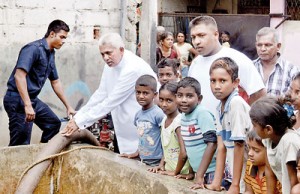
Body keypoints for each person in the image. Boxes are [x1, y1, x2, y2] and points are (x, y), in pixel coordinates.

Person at [60, 33, 157, 154]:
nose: (106, 58)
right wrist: (78, 117)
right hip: (122, 128)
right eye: (102, 54)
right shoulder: (110, 66)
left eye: (109, 53)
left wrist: (80, 122)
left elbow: (111, 101)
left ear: (121, 50)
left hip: (140, 127)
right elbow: (101, 94)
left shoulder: (132, 68)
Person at [3, 19, 75, 146]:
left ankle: (41, 156)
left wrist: (68, 106)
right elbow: (19, 76)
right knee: (20, 145)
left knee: (53, 124)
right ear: (52, 34)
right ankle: (17, 165)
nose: (64, 41)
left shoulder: (51, 53)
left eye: (65, 38)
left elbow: (55, 82)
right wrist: (27, 105)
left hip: (31, 99)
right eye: (62, 37)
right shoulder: (33, 49)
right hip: (17, 100)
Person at [188, 15, 266, 116]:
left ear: (216, 35)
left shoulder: (238, 59)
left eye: (201, 35)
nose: (196, 41)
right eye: (193, 37)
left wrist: (245, 120)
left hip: (230, 130)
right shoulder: (195, 63)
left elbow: (259, 94)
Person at [206, 57, 252, 193]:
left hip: (249, 175)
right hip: (238, 174)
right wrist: (216, 182)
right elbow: (221, 147)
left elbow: (239, 144)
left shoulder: (236, 103)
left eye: (223, 81)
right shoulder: (220, 106)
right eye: (213, 81)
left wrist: (235, 185)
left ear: (235, 82)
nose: (217, 86)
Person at [250, 96, 300, 194]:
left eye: (255, 125)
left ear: (268, 129)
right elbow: (269, 170)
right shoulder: (268, 139)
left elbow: (294, 180)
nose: (253, 129)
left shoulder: (289, 142)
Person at [176, 77, 217, 189]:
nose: (183, 100)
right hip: (200, 173)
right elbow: (191, 146)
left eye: (189, 96)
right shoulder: (184, 116)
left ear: (199, 99)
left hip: (212, 172)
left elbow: (212, 143)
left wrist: (199, 175)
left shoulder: (202, 113)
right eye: (180, 95)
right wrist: (192, 172)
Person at [148, 82, 193, 177]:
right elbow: (166, 148)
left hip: (181, 173)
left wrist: (176, 172)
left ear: (177, 100)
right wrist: (161, 165)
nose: (164, 104)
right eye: (161, 100)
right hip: (169, 169)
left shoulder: (179, 122)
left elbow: (184, 152)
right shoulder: (164, 119)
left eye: (169, 101)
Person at [119, 75, 164, 166]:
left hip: (156, 161)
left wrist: (162, 163)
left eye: (145, 93)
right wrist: (137, 152)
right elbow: (143, 137)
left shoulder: (158, 114)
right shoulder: (138, 115)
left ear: (154, 95)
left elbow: (166, 139)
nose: (141, 96)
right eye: (138, 92)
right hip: (143, 160)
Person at [253, 27, 299, 96]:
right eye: (259, 45)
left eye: (267, 45)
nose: (262, 49)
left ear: (278, 46)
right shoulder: (250, 67)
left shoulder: (291, 70)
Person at [244, 130, 282, 194]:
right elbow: (248, 191)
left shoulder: (277, 171)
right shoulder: (249, 164)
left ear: (269, 151)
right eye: (249, 148)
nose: (250, 153)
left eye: (256, 150)